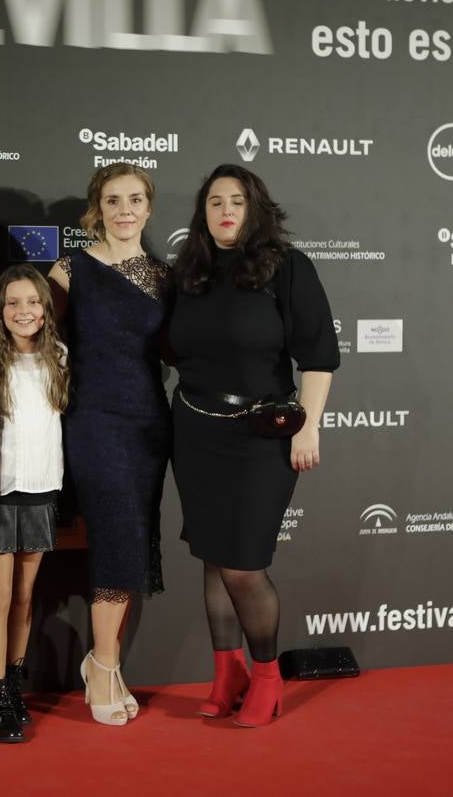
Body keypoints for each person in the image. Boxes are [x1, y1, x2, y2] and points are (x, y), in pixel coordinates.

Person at [168, 164, 338, 727]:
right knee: (215, 559)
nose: (225, 211)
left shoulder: (286, 267)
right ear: (203, 211)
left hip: (263, 435)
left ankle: (267, 678)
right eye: (215, 201)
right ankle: (227, 673)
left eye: (236, 201)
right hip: (195, 431)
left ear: (255, 208)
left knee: (243, 564)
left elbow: (316, 356)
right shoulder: (187, 273)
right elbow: (171, 349)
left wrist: (308, 426)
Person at [48, 162, 171, 726]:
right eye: (113, 200)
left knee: (134, 541)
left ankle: (106, 663)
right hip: (93, 421)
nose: (125, 210)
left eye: (135, 199)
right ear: (97, 208)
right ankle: (102, 664)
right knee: (117, 533)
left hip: (149, 423)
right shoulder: (71, 271)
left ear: (149, 207)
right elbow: (35, 347)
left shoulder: (165, 278)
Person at [0, 264, 69, 743]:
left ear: (46, 310)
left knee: (26, 597)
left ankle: (13, 680)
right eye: (13, 302)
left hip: (42, 487)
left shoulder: (61, 357)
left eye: (32, 301)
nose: (23, 310)